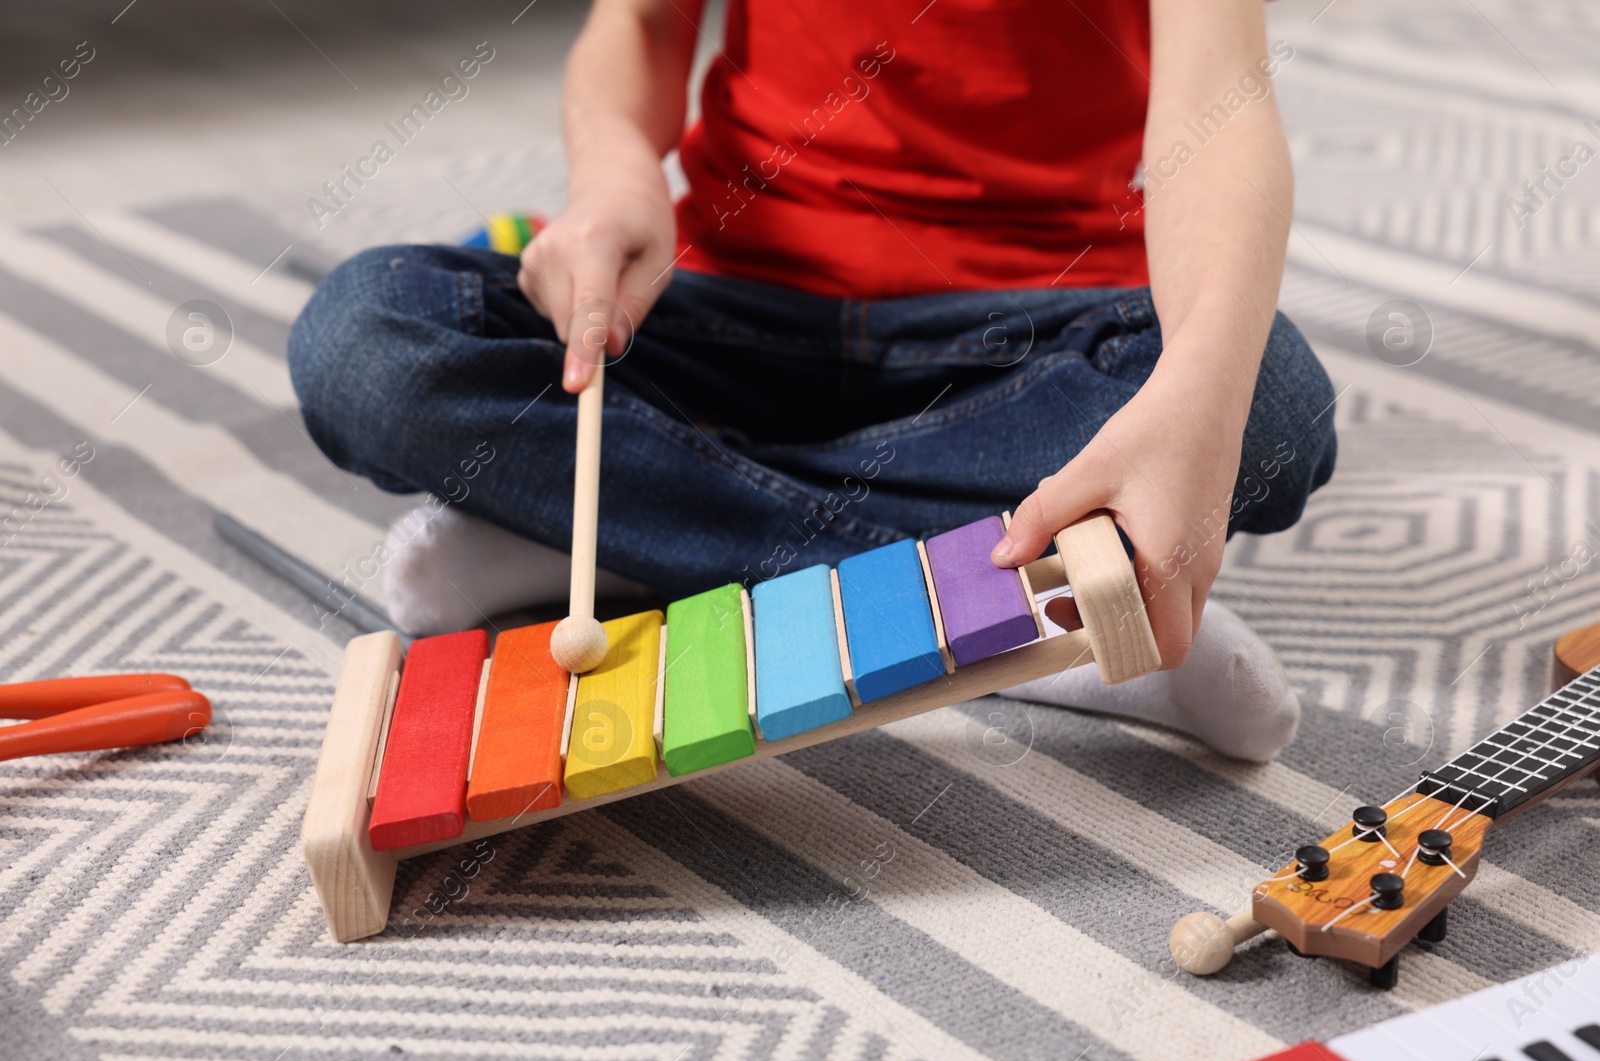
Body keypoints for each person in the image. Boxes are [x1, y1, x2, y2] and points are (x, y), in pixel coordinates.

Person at [288, 0, 1336, 761]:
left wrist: (1197, 389)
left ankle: (611, 528)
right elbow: (641, 26)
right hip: (724, 309)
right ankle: (1039, 614)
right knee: (368, 335)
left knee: (1272, 396)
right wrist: (612, 177)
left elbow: (1220, 105)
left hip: (1023, 333)